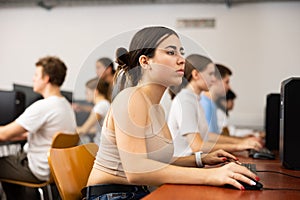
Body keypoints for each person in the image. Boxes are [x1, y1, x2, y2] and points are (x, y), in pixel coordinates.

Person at [84, 26, 259, 200]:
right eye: (170, 52)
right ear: (145, 62)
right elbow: (136, 170)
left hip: (136, 192)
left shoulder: (157, 108)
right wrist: (212, 176)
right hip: (112, 195)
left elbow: (156, 162)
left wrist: (200, 160)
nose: (182, 59)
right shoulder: (131, 98)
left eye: (180, 52)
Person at [0, 56, 77, 199]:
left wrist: (7, 133)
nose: (33, 79)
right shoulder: (65, 106)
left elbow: (4, 134)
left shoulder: (44, 106)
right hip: (55, 169)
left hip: (37, 169)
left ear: (46, 78)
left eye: (36, 75)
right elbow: (42, 136)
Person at [168, 54, 262, 156]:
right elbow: (197, 147)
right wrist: (238, 146)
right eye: (210, 74)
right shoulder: (185, 100)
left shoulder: (194, 100)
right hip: (185, 165)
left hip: (195, 162)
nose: (213, 79)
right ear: (196, 75)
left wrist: (241, 142)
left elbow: (207, 137)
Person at [77, 77, 111, 145]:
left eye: (87, 92)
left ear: (95, 92)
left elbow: (84, 130)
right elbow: (96, 129)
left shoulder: (100, 107)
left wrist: (66, 130)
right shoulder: (106, 104)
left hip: (100, 147)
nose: (86, 95)